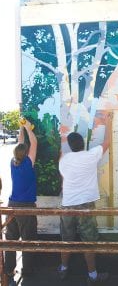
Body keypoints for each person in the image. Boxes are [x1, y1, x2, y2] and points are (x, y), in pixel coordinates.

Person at [58, 112, 112, 284]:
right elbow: (107, 142)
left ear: (70, 146)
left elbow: (61, 157)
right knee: (88, 241)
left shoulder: (64, 160)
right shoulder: (91, 155)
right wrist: (109, 122)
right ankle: (92, 275)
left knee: (66, 240)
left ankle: (63, 269)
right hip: (86, 206)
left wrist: (62, 135)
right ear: (82, 144)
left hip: (67, 206)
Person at [5, 120, 37, 285]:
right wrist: (27, 126)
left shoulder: (13, 162)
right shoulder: (28, 163)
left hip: (12, 205)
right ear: (26, 153)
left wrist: (20, 126)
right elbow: (34, 142)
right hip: (26, 207)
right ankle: (28, 270)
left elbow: (20, 143)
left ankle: (8, 271)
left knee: (10, 239)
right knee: (28, 238)